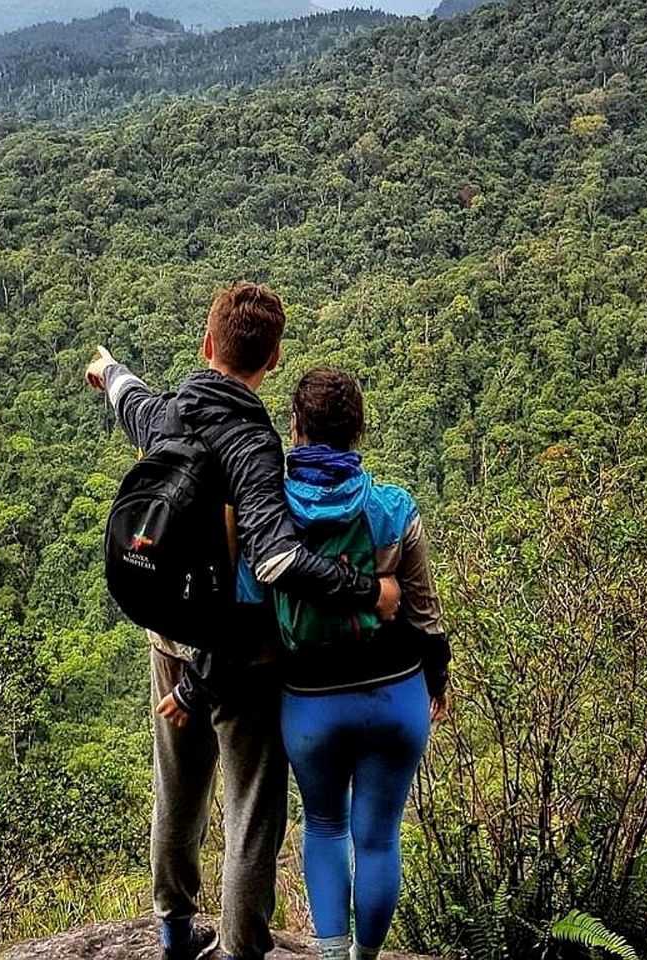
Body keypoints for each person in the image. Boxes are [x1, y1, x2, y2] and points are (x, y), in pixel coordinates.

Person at [84, 284, 401, 960]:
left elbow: (128, 397)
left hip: (168, 634)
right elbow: (281, 559)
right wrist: (367, 592)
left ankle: (173, 930)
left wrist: (107, 369)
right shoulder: (254, 444)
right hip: (240, 653)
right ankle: (238, 950)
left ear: (206, 345)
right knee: (253, 809)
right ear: (275, 357)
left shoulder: (170, 412)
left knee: (178, 790)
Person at [276, 368, 450, 960]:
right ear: (359, 432)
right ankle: (366, 958)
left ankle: (329, 954)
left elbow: (254, 607)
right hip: (395, 694)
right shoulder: (393, 510)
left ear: (295, 430)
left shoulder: (271, 514)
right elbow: (424, 611)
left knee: (324, 826)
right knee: (378, 838)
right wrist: (438, 676)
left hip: (310, 703)